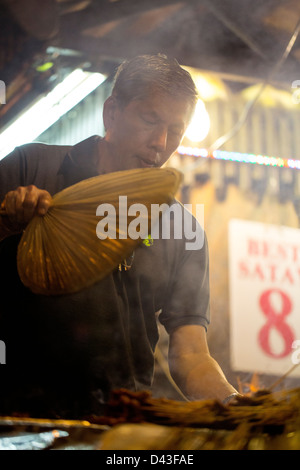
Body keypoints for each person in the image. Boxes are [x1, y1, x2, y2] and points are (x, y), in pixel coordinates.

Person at [0, 54, 238, 418]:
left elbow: (190, 353)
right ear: (112, 112)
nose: (161, 142)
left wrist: (235, 405)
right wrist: (7, 224)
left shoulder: (182, 229)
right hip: (17, 416)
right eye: (149, 120)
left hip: (118, 423)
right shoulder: (32, 168)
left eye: (175, 130)